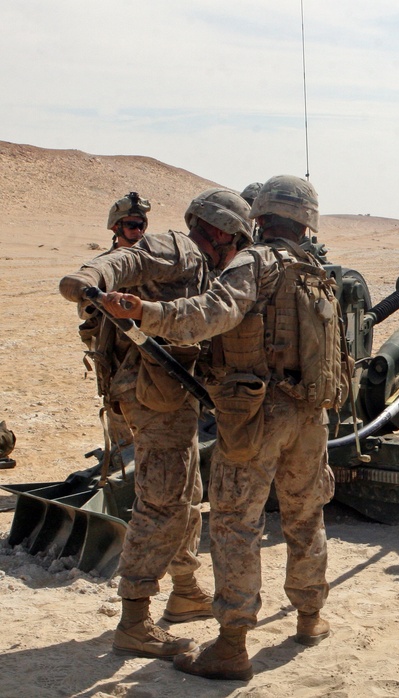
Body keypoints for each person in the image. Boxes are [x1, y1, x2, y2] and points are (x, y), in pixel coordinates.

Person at [104, 175, 347, 681]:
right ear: (306, 221)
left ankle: (232, 644)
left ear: (258, 219)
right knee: (306, 516)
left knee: (237, 524)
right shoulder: (318, 271)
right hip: (310, 416)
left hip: (255, 416)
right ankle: (310, 616)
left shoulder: (253, 263)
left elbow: (212, 314)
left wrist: (148, 313)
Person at [59, 188, 254, 659]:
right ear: (222, 232)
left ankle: (185, 590)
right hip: (153, 395)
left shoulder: (203, 266)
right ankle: (134, 620)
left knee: (186, 493)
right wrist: (88, 277)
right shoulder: (178, 247)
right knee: (162, 499)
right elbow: (125, 262)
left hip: (171, 393)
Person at [78, 193, 153, 449]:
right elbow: (86, 315)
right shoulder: (101, 267)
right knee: (121, 434)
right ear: (116, 227)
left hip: (148, 359)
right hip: (115, 359)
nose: (139, 231)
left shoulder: (155, 264)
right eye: (132, 225)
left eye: (142, 225)